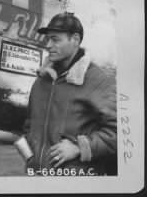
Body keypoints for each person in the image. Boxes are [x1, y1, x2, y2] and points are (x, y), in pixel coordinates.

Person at [22, 12, 117, 176]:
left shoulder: (98, 80)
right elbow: (30, 125)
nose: (48, 45)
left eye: (55, 39)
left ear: (75, 40)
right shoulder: (41, 81)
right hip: (37, 178)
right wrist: (30, 156)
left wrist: (79, 147)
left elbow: (119, 132)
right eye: (48, 39)